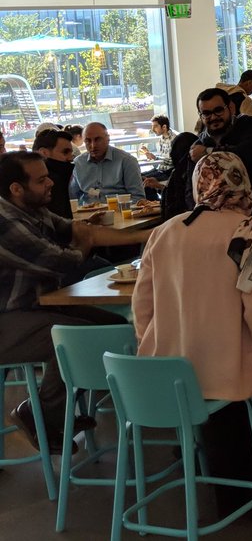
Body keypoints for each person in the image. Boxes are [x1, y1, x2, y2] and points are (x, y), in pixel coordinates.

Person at [132, 150, 252, 516]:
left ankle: (218, 482)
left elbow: (142, 306)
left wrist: (152, 349)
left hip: (171, 374)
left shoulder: (164, 232)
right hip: (229, 372)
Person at [0, 152, 148, 454]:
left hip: (36, 306)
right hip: (8, 318)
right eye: (41, 180)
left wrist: (153, 235)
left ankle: (73, 405)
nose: (51, 183)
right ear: (16, 188)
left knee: (113, 325)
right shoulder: (5, 222)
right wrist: (83, 244)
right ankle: (39, 414)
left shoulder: (32, 210)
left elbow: (84, 232)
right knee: (77, 339)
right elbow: (64, 261)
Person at [193, 88, 252, 233]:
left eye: (218, 110)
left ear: (231, 107)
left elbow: (247, 153)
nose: (213, 117)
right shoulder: (200, 142)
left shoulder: (251, 126)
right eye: (206, 113)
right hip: (220, 225)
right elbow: (192, 184)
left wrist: (208, 152)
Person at [68, 122, 145, 204]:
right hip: (90, 210)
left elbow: (138, 198)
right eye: (88, 141)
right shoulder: (78, 163)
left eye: (98, 139)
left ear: (108, 139)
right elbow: (72, 197)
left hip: (120, 209)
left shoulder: (126, 161)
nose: (93, 145)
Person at [143, 131, 199, 221]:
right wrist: (159, 186)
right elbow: (178, 195)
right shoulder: (196, 168)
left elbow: (179, 201)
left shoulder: (185, 172)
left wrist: (160, 187)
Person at [32, 129, 76, 220]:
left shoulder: (62, 176)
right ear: (44, 153)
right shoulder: (52, 181)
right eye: (65, 152)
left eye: (71, 153)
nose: (71, 158)